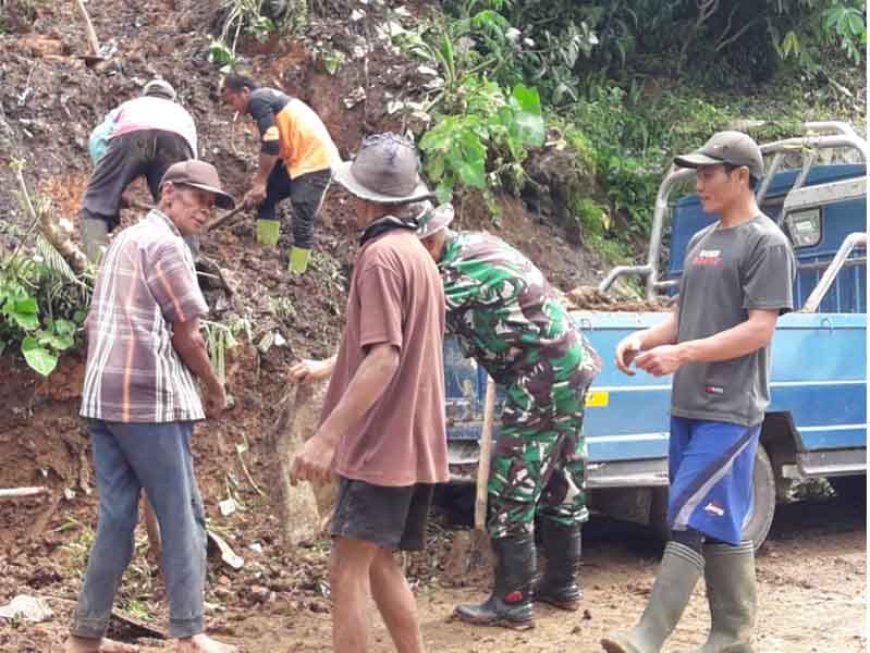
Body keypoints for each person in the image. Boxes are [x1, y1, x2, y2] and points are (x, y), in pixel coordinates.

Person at [293, 203, 603, 630]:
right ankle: (561, 583)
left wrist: (327, 367)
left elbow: (390, 340)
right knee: (562, 475)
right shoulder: (477, 245)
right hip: (571, 366)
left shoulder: (452, 278)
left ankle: (513, 600)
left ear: (428, 242)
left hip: (539, 378)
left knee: (514, 481)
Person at [601, 131, 796, 653]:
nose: (699, 183)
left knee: (686, 512)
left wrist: (683, 354)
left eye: (710, 174)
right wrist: (643, 338)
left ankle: (649, 635)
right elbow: (682, 319)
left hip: (731, 408)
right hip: (687, 404)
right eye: (697, 173)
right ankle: (732, 639)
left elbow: (759, 329)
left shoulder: (767, 243)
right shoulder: (699, 242)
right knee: (724, 521)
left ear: (741, 178)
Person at [65, 161, 237, 653]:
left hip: (104, 399)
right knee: (181, 514)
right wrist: (215, 387)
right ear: (168, 193)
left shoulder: (125, 238)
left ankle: (85, 636)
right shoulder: (167, 246)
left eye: (212, 202)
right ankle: (189, 633)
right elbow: (188, 333)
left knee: (117, 519)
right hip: (150, 402)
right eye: (196, 198)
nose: (205, 209)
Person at [289, 133, 447, 653]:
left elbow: (385, 357)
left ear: (365, 198)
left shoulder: (379, 258)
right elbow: (382, 349)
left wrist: (326, 438)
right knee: (379, 560)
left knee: (346, 569)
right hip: (412, 441)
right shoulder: (419, 257)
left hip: (381, 444)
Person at [220, 73, 339, 274]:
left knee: (302, 214)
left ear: (245, 92)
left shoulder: (259, 99)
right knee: (266, 197)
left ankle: (297, 273)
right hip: (294, 159)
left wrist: (259, 183)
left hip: (316, 160)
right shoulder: (267, 99)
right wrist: (261, 185)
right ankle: (266, 251)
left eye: (232, 100)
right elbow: (275, 144)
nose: (234, 109)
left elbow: (271, 142)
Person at [80, 79, 198, 262]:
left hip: (132, 135)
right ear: (172, 100)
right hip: (174, 141)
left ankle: (95, 263)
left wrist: (111, 182)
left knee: (97, 202)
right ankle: (187, 266)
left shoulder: (129, 107)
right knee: (181, 207)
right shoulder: (182, 115)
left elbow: (97, 139)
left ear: (145, 96)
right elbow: (191, 163)